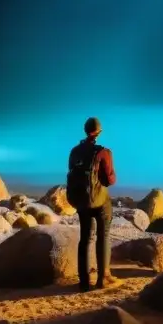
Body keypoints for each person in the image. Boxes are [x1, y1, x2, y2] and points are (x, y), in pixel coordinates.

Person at [67, 116, 116, 292]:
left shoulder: (74, 151)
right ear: (98, 132)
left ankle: (84, 282)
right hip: (99, 200)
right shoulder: (103, 152)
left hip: (81, 200)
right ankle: (103, 279)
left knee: (85, 239)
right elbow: (110, 180)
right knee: (103, 236)